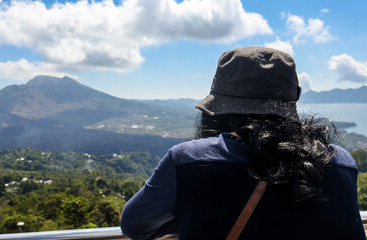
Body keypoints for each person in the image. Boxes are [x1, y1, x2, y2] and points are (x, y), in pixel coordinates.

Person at [120, 47, 366, 240]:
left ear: (221, 107)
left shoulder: (187, 161)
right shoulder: (340, 163)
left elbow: (135, 226)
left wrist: (195, 214)